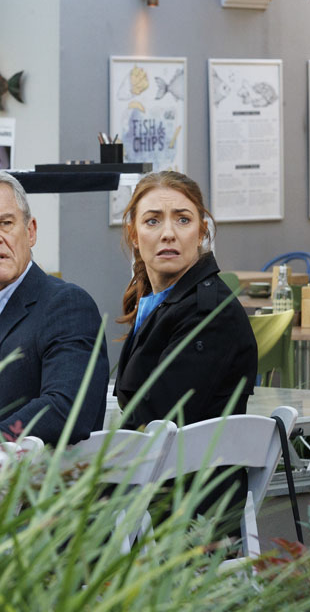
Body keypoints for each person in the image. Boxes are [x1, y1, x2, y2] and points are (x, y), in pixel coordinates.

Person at [0, 170, 109, 450]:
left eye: (5, 223)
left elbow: (66, 410)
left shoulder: (66, 306)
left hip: (35, 478)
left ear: (30, 232)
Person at [113, 171, 257, 427]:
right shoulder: (159, 301)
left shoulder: (210, 314)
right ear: (133, 234)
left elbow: (157, 420)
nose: (168, 234)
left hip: (188, 454)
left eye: (183, 220)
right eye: (152, 221)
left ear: (201, 232)